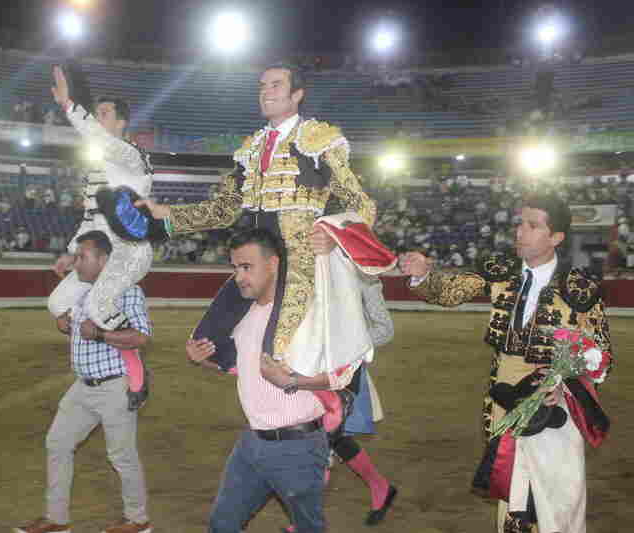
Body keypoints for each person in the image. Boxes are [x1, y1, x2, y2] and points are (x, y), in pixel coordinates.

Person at [138, 62, 377, 430]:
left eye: (276, 85)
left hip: (298, 263)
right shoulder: (249, 151)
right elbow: (223, 209)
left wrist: (333, 234)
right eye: (262, 85)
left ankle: (328, 414)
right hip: (255, 260)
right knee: (207, 341)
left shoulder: (319, 142)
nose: (266, 91)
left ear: (297, 94)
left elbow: (362, 205)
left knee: (280, 352)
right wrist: (165, 214)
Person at [399, 193, 613, 533]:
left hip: (554, 399)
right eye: (520, 223)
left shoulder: (580, 287)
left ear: (556, 237)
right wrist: (424, 276)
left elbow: (601, 353)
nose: (520, 232)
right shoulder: (501, 271)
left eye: (533, 225)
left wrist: (568, 391)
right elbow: (451, 291)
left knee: (556, 492)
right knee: (512, 486)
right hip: (502, 395)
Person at [186, 229, 330, 533]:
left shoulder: (304, 314)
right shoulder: (245, 314)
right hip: (252, 443)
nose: (239, 277)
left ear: (273, 263)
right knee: (222, 524)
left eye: (247, 267)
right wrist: (205, 360)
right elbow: (243, 368)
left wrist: (291, 381)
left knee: (309, 529)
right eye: (235, 268)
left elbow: (339, 376)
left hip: (298, 446)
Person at [15, 230, 153, 533]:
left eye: (83, 257)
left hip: (116, 386)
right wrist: (67, 326)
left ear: (103, 259)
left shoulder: (127, 291)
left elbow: (140, 337)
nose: (76, 263)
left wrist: (101, 334)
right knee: (58, 443)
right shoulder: (82, 291)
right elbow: (81, 330)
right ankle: (56, 519)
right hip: (83, 386)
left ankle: (138, 520)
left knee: (121, 455)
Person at [47, 65, 154, 403]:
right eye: (97, 114)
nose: (98, 118)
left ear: (121, 122)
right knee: (56, 304)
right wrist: (73, 252)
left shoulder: (132, 157)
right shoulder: (98, 169)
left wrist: (69, 105)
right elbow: (90, 218)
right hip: (97, 253)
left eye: (104, 114)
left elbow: (97, 138)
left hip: (128, 251)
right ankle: (95, 353)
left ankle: (135, 365)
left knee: (97, 303)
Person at [283, 272, 398, 531]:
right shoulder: (307, 271)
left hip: (343, 373)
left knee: (321, 441)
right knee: (330, 439)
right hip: (307, 368)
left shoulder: (364, 278)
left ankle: (303, 523)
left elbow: (384, 329)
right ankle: (380, 486)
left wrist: (345, 344)